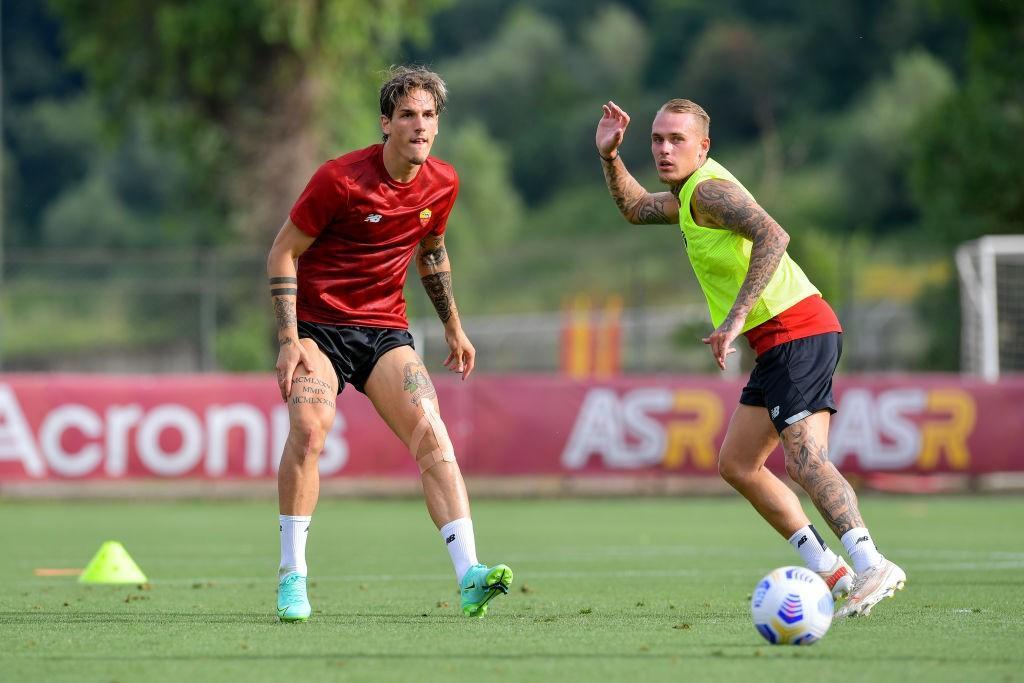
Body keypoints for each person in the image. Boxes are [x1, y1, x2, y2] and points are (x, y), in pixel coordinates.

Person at [595, 99, 905, 617]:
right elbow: (634, 208)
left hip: (796, 329)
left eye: (677, 139)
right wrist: (609, 156)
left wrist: (735, 318)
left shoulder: (711, 190)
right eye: (656, 139)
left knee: (806, 462)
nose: (664, 149)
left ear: (703, 146)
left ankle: (872, 562)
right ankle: (833, 572)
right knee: (738, 464)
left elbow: (774, 234)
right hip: (781, 339)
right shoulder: (688, 195)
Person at [267, 66, 512, 622]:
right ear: (386, 123)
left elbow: (431, 249)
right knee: (308, 430)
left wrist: (453, 324)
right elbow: (283, 252)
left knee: (432, 432)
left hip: (383, 329)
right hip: (319, 328)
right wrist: (288, 340)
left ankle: (470, 574)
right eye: (408, 115)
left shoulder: (443, 182)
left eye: (429, 116)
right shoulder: (340, 179)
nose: (420, 126)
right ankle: (292, 578)